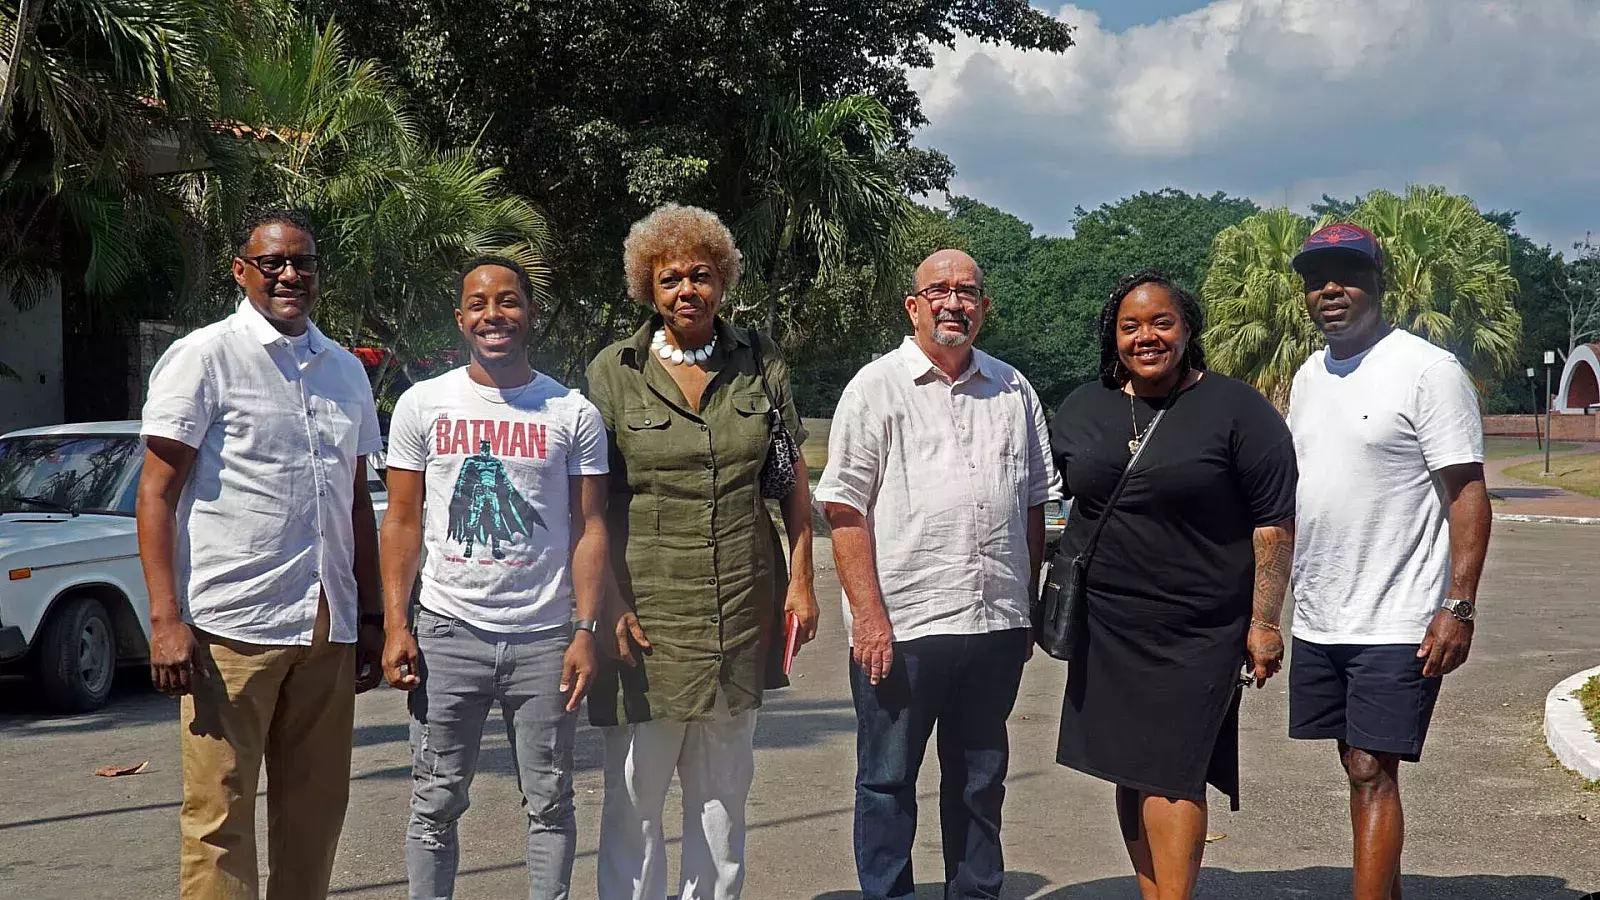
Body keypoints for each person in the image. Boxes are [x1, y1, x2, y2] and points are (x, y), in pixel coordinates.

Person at [136, 208, 385, 900]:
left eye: (301, 262)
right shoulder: (204, 356)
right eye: (271, 262)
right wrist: (165, 618)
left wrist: (369, 618)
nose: (288, 275)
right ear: (241, 269)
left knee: (315, 817)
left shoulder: (344, 371)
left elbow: (356, 502)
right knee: (218, 820)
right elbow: (155, 493)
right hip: (229, 629)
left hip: (325, 630)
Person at [585, 203, 820, 900]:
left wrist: (801, 580)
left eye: (701, 275)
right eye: (670, 279)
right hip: (646, 618)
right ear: (646, 288)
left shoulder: (760, 362)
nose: (687, 290)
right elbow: (589, 503)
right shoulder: (613, 371)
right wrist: (608, 601)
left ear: (723, 280)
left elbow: (790, 481)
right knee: (635, 800)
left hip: (740, 611)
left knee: (724, 798)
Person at [815, 249, 1059, 900]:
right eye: (940, 291)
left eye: (969, 292)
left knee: (979, 779)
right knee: (888, 780)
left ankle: (975, 892)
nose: (955, 303)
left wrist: (1024, 604)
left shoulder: (1014, 389)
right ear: (914, 305)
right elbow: (844, 508)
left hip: (993, 625)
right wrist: (868, 617)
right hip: (903, 629)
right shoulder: (877, 387)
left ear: (984, 307)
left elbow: (1035, 503)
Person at [1047, 269, 1298, 900]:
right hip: (1110, 624)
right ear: (1114, 337)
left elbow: (1273, 525)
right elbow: (1046, 500)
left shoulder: (1238, 410)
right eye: (1130, 326)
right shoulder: (1083, 407)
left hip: (1200, 628)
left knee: (1172, 772)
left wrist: (1264, 623)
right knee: (1128, 771)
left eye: (1162, 322)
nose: (1146, 337)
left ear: (1188, 330)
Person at [379, 256, 610, 900]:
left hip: (543, 639)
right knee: (436, 800)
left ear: (529, 313)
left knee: (550, 799)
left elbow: (591, 527)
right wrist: (397, 625)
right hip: (449, 633)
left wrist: (584, 629)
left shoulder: (570, 411)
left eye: (507, 301)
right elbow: (400, 521)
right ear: (461, 319)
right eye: (478, 304)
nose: (493, 315)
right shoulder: (424, 404)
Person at [1285, 223, 1491, 900]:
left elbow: (1466, 494)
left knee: (1373, 766)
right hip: (1321, 614)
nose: (1330, 289)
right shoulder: (1310, 375)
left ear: (1379, 284)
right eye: (1317, 278)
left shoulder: (1427, 371)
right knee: (1355, 761)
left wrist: (1457, 606)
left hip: (1398, 615)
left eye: (1346, 273)